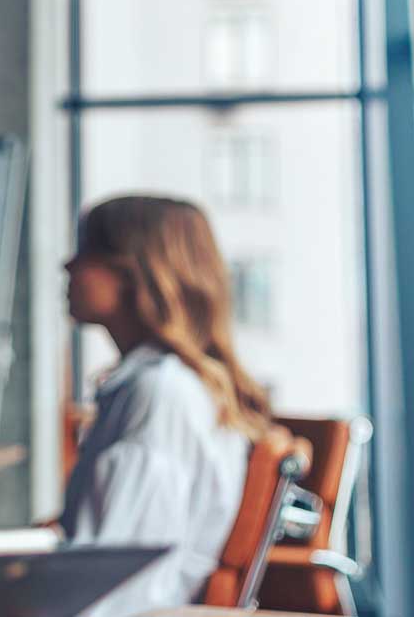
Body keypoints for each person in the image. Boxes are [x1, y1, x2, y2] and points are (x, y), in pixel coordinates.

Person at [59, 195, 280, 617]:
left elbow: (110, 587)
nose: (67, 266)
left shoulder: (159, 395)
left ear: (134, 271)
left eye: (87, 251)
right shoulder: (162, 386)